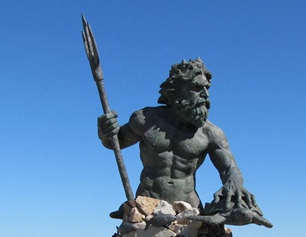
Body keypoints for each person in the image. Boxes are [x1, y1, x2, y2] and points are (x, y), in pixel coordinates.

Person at [97, 58, 271, 227]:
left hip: (188, 210)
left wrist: (235, 182)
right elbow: (115, 143)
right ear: (178, 91)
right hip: (147, 207)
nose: (205, 95)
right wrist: (106, 131)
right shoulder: (145, 119)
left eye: (207, 88)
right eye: (196, 88)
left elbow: (230, 168)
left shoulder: (211, 133)